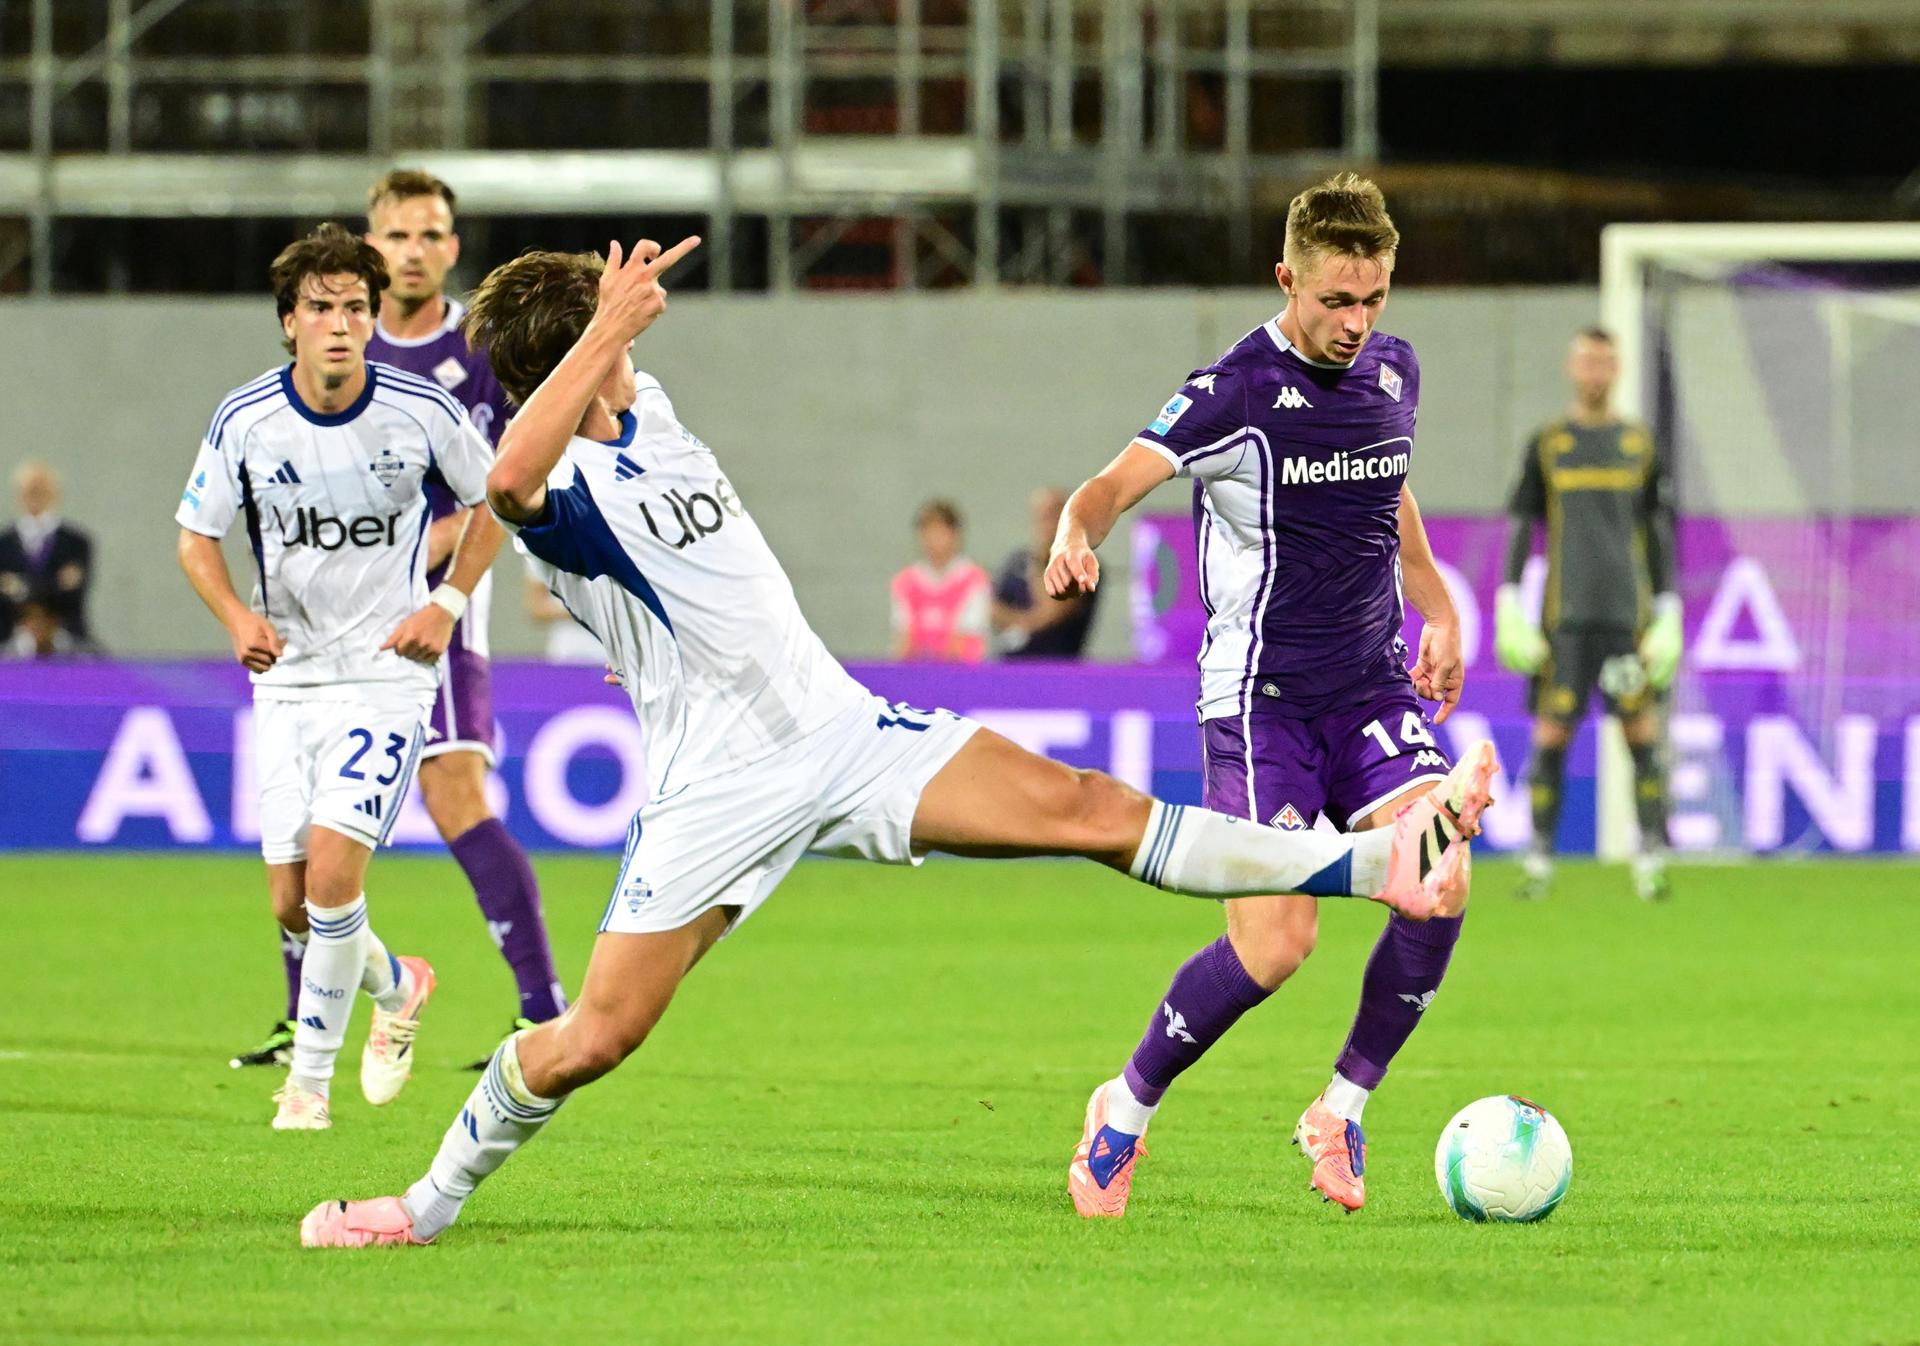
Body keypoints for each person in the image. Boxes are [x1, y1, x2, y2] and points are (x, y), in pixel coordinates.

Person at [297, 235, 1496, 1248]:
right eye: (612, 343)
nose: (636, 356)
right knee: (590, 1039)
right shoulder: (552, 483)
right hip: (714, 791)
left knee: (1087, 808)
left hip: (846, 729)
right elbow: (504, 484)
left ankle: (1383, 862)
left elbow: (629, 472)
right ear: (576, 359)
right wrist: (590, 346)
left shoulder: (644, 409)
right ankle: (420, 1203)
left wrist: (608, 340)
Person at [1044, 172, 1492, 1217]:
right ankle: (1126, 1104)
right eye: (1337, 300)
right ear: (1286, 277)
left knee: (1446, 880)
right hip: (1262, 706)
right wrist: (1075, 536)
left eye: (1374, 298)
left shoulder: (1393, 371)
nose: (1356, 322)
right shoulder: (1232, 393)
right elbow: (1109, 486)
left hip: (1372, 682)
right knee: (1276, 941)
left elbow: (1390, 492)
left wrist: (1442, 609)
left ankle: (1340, 1106)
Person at [226, 169, 570, 1074]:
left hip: (434, 614)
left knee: (454, 793)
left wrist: (429, 556)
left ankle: (543, 1007)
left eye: (431, 235)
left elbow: (511, 480)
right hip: (324, 625)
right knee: (301, 814)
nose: (413, 251)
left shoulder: (482, 353)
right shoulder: (334, 349)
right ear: (370, 249)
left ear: (452, 248)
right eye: (397, 236)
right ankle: (303, 1015)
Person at [177, 223, 506, 1130]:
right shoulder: (245, 418)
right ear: (289, 322)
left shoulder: (422, 412)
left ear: (370, 321)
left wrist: (445, 603)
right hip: (287, 680)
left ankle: (308, 1088)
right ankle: (399, 986)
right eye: (319, 308)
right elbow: (194, 538)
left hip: (386, 678)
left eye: (354, 308)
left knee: (330, 881)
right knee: (291, 903)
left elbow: (497, 501)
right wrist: (239, 619)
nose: (339, 323)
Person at [1494, 327, 1678, 902]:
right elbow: (1524, 526)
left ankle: (1650, 860)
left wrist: (1668, 608)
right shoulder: (1548, 444)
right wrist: (1508, 598)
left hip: (1627, 622)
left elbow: (1657, 531)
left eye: (1605, 361)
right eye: (1587, 361)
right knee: (1551, 736)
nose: (1596, 371)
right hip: (1565, 622)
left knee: (1641, 734)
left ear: (1616, 368)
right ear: (1573, 367)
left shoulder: (1639, 445)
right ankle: (1539, 860)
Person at [990, 486, 1097, 658]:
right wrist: (1020, 622)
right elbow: (993, 608)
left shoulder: (1082, 562)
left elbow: (1053, 610)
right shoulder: (1017, 561)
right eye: (1043, 515)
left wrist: (1042, 559)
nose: (1048, 522)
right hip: (1012, 663)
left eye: (1054, 514)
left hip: (1058, 663)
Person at [0, 462, 94, 648]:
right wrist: (55, 583)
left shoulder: (76, 543)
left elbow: (73, 595)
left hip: (65, 639)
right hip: (8, 639)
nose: (36, 497)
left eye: (41, 491)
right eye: (30, 491)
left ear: (55, 494)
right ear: (19, 495)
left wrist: (20, 587)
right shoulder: (3, 545)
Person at [890, 499, 989, 661]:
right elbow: (903, 638)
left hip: (962, 674)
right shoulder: (904, 582)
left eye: (940, 531)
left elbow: (965, 638)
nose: (933, 539)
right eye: (928, 531)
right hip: (917, 673)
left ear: (955, 535)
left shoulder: (974, 580)